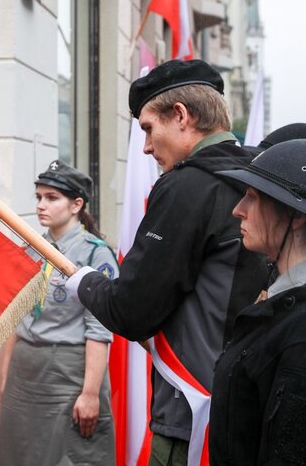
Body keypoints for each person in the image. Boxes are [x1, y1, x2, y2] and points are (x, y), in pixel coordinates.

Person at [64, 59, 268, 465]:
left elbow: (132, 310)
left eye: (148, 129)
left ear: (181, 116)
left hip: (190, 416)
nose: (145, 147)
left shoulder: (187, 185)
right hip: (246, 406)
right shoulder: (259, 178)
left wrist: (82, 280)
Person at [0, 160, 117, 466]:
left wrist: (90, 393)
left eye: (52, 198)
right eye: (39, 197)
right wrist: (5, 377)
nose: (41, 205)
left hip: (66, 372)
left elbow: (99, 330)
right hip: (25, 372)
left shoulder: (94, 254)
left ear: (77, 204)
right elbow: (17, 317)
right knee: (19, 455)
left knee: (68, 455)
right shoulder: (33, 249)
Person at [209, 139, 306, 464]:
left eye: (252, 197)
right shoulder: (284, 303)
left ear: (295, 216)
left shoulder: (299, 332)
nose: (238, 209)